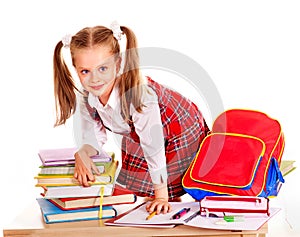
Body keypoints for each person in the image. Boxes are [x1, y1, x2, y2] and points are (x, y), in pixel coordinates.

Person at [53, 21, 210, 215]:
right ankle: (163, 204)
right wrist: (83, 152)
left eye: (103, 69)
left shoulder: (138, 96)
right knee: (128, 190)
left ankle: (168, 206)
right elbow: (94, 137)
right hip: (138, 132)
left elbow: (153, 149)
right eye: (85, 71)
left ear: (118, 64)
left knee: (157, 189)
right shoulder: (88, 97)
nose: (94, 79)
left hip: (180, 128)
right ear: (75, 69)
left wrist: (161, 196)